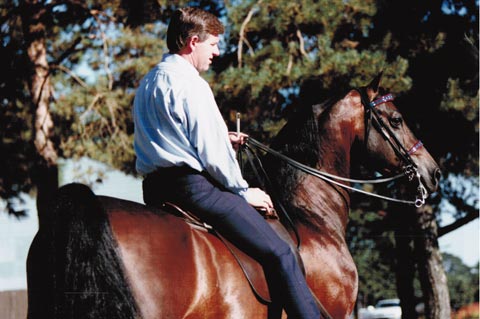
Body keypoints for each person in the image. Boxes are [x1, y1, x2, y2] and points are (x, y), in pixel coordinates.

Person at [132, 7, 322, 319]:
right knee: (282, 253)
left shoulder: (148, 83)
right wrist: (243, 192)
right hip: (195, 191)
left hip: (155, 191)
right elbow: (212, 155)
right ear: (193, 42)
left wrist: (224, 139)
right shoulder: (191, 84)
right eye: (214, 44)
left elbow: (168, 138)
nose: (217, 52)